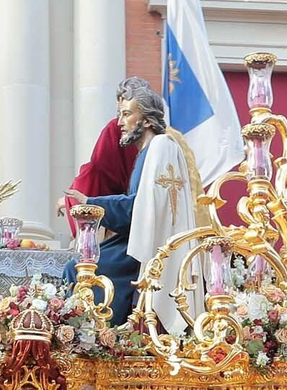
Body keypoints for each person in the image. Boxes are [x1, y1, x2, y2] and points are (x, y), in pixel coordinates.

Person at [61, 86, 198, 330]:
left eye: (126, 114)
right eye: (120, 114)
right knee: (79, 266)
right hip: (138, 239)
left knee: (79, 270)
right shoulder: (149, 151)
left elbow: (139, 208)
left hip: (149, 249)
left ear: (145, 119)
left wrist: (92, 203)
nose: (120, 122)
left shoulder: (160, 147)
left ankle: (95, 337)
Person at [62, 77, 150, 206]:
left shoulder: (116, 129)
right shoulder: (169, 137)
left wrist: (73, 200)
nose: (121, 121)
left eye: (126, 113)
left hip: (126, 210)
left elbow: (97, 171)